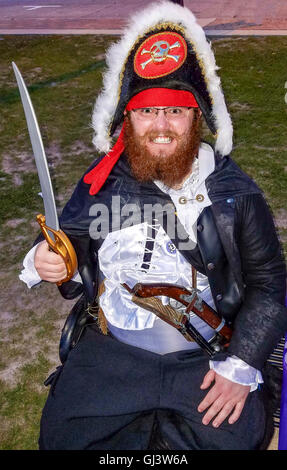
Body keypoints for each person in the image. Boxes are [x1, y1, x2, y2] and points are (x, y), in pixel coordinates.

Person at [20, 1, 287, 450]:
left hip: (205, 357)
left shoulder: (234, 190)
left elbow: (269, 285)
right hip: (112, 355)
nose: (161, 126)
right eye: (147, 112)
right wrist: (46, 256)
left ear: (196, 118)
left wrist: (241, 364)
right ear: (128, 120)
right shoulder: (100, 182)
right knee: (65, 438)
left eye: (175, 111)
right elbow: (69, 240)